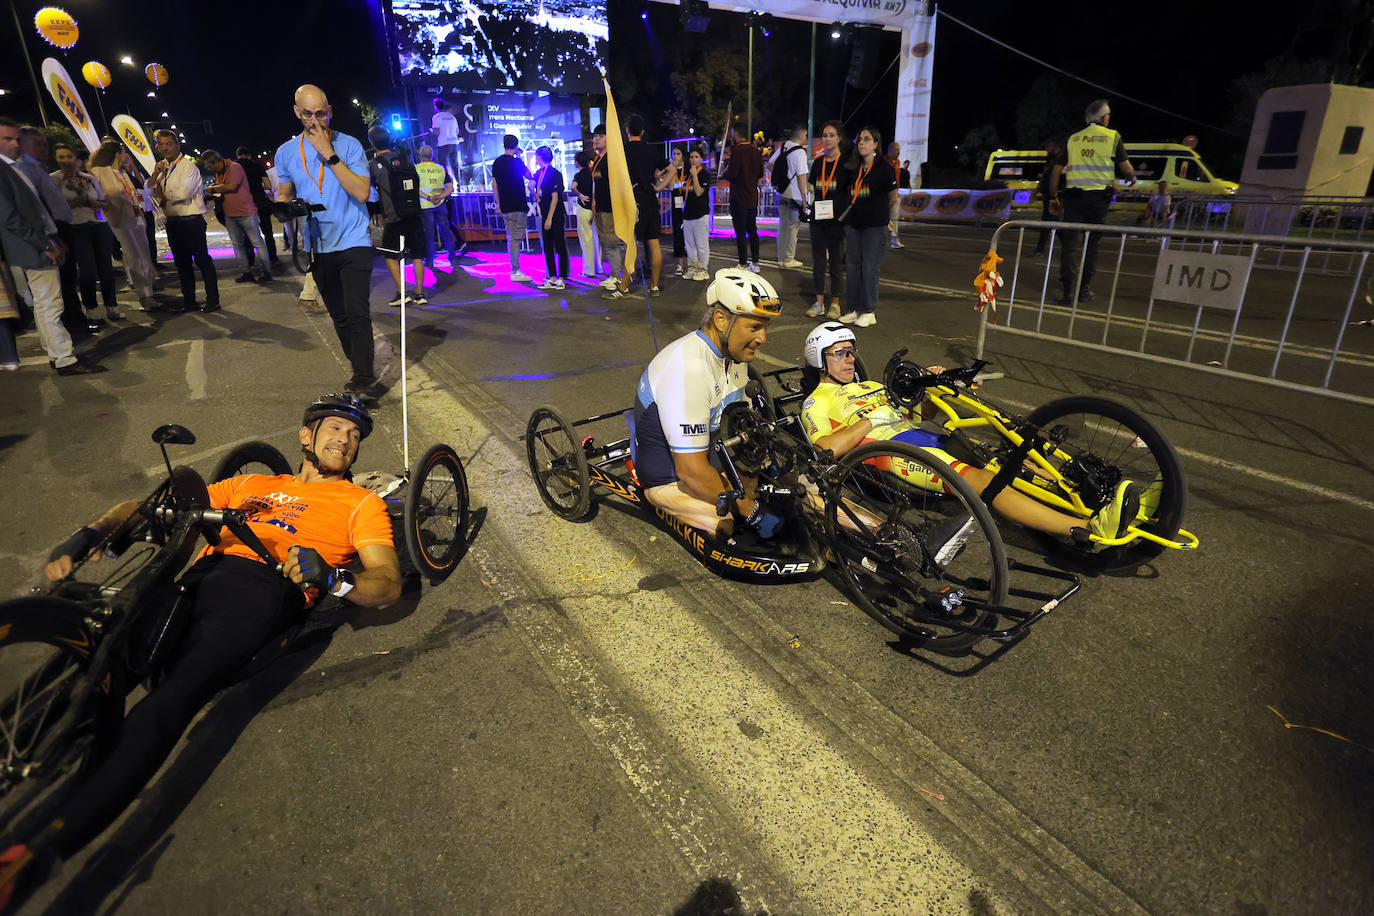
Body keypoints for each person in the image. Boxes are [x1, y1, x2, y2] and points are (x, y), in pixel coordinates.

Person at [0, 394, 402, 908]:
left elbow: (387, 583)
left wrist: (335, 578)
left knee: (174, 696)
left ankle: (37, 856)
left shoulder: (359, 503)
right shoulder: (253, 484)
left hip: (261, 592)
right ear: (306, 436)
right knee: (96, 656)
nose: (345, 440)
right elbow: (158, 505)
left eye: (354, 436)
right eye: (335, 429)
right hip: (194, 579)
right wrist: (92, 534)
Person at [799, 323, 1141, 550]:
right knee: (984, 481)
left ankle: (1101, 501)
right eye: (840, 353)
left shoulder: (871, 385)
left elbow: (916, 417)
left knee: (1011, 463)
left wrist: (928, 390)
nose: (850, 359)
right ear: (820, 359)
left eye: (851, 351)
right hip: (895, 453)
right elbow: (824, 448)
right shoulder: (816, 402)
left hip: (922, 436)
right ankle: (1087, 528)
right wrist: (870, 421)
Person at [631, 268, 783, 539]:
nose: (763, 338)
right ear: (721, 320)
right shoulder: (688, 369)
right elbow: (690, 471)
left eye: (765, 327)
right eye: (754, 327)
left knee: (785, 495)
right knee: (727, 525)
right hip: (671, 476)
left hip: (711, 456)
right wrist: (748, 507)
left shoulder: (734, 357)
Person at [274, 84, 381, 400]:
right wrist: (283, 206)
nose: (315, 120)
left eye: (321, 113)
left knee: (357, 311)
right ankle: (358, 369)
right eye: (307, 114)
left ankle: (364, 379)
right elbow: (285, 192)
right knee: (340, 315)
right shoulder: (285, 153)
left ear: (329, 110)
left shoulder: (348, 145)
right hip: (319, 245)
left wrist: (328, 154)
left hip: (354, 239)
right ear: (297, 112)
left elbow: (362, 193)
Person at [0, 118, 103, 375]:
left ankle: (56, 354)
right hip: (33, 247)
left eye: (17, 139)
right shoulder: (5, 171)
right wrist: (46, 243)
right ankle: (63, 358)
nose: (16, 144)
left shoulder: (12, 169)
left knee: (46, 302)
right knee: (50, 303)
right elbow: (10, 218)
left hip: (39, 242)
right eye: (8, 139)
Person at [1047, 99, 1136, 306]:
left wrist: (1053, 197)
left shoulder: (1074, 139)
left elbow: (1057, 170)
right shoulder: (1113, 136)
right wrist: (1131, 177)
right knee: (1091, 245)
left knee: (1069, 246)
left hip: (1073, 199)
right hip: (1098, 201)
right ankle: (1084, 290)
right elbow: (1127, 168)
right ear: (1104, 118)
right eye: (1108, 117)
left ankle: (1068, 292)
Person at [13, 126, 85, 334]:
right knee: (50, 295)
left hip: (57, 228)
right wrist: (49, 239)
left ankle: (72, 324)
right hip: (47, 232)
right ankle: (62, 348)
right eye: (37, 144)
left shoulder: (37, 168)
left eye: (45, 144)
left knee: (63, 284)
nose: (44, 149)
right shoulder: (24, 169)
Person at [149, 129, 220, 313]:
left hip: (191, 221)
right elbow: (146, 191)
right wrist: (154, 175)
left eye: (169, 144)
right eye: (161, 144)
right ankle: (189, 301)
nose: (165, 148)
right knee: (181, 263)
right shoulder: (162, 167)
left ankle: (213, 300)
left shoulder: (188, 167)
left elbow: (182, 194)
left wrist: (160, 196)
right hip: (173, 221)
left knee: (202, 260)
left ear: (177, 145)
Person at [51, 143, 123, 322]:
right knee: (88, 270)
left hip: (99, 225)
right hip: (76, 227)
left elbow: (105, 203)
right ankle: (91, 308)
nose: (66, 160)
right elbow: (55, 208)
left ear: (77, 159)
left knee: (106, 268)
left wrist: (95, 203)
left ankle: (111, 306)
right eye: (61, 157)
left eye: (69, 156)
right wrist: (77, 202)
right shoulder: (54, 180)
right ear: (56, 159)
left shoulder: (89, 178)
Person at [603, 114, 670, 301]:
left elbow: (614, 176)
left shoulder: (624, 152)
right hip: (650, 199)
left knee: (630, 244)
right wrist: (658, 185)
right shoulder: (650, 151)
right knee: (654, 242)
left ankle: (624, 287)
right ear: (642, 131)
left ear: (627, 131)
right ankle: (654, 285)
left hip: (634, 201)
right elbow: (671, 168)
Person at [838, 127, 896, 328]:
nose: (861, 143)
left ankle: (869, 310)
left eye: (866, 139)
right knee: (853, 267)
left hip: (874, 226)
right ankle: (853, 309)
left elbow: (892, 197)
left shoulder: (884, 168)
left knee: (869, 268)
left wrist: (879, 214)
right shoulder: (854, 167)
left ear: (876, 144)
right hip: (854, 225)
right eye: (859, 139)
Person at [88, 141, 157, 310]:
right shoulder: (101, 171)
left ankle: (149, 293)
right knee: (133, 255)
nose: (127, 155)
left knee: (144, 253)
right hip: (119, 219)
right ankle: (144, 295)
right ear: (117, 153)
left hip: (135, 216)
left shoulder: (123, 173)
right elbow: (107, 194)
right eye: (124, 151)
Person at [366, 125, 428, 307]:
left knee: (390, 254)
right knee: (417, 254)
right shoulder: (404, 159)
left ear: (372, 142)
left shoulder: (374, 165)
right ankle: (419, 293)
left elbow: (367, 190)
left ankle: (402, 293)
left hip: (393, 217)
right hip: (414, 213)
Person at [203, 149, 272, 283]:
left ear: (215, 161)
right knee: (237, 244)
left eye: (209, 165)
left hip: (246, 212)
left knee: (257, 242)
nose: (208, 168)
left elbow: (231, 187)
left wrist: (213, 189)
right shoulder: (220, 171)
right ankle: (246, 272)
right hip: (230, 213)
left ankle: (266, 272)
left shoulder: (235, 167)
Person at [807, 119, 850, 319]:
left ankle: (835, 303)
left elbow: (850, 192)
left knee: (835, 263)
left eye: (832, 135)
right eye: (825, 135)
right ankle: (818, 303)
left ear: (839, 138)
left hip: (836, 222)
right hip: (817, 219)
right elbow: (811, 188)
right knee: (818, 262)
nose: (827, 139)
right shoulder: (817, 163)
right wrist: (806, 201)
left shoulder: (846, 164)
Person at [720, 128, 763, 273]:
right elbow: (760, 173)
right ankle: (755, 262)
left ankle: (743, 263)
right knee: (752, 230)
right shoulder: (756, 151)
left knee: (740, 232)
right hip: (752, 196)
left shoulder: (738, 151)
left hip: (739, 196)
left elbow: (732, 173)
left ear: (736, 134)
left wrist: (724, 173)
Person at [491, 133, 533, 283]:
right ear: (516, 146)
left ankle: (514, 269)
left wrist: (498, 203)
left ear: (504, 144)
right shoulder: (517, 162)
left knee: (511, 238)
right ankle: (515, 271)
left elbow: (494, 185)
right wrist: (520, 158)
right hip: (518, 204)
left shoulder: (497, 162)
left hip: (505, 205)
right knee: (515, 239)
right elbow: (530, 175)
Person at [415, 144, 460, 275]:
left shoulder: (416, 169)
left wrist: (428, 197)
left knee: (429, 234)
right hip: (440, 204)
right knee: (446, 232)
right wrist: (440, 196)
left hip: (425, 205)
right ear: (432, 155)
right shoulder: (440, 168)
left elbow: (415, 189)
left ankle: (430, 260)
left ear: (420, 155)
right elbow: (450, 187)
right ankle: (452, 258)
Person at [589, 124, 625, 289]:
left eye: (601, 136)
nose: (596, 139)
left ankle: (617, 276)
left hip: (611, 208)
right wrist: (595, 202)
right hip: (601, 208)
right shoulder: (598, 160)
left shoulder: (611, 159)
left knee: (612, 243)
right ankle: (614, 274)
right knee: (606, 242)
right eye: (595, 135)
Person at [236, 147, 281, 272]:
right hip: (260, 203)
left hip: (244, 205)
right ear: (249, 155)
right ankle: (273, 259)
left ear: (238, 155)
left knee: (248, 236)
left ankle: (250, 262)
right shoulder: (257, 166)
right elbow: (267, 185)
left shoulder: (234, 167)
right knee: (268, 234)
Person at [774, 124, 810, 269]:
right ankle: (789, 259)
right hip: (795, 194)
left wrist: (783, 180)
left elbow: (771, 164)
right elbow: (802, 177)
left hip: (782, 192)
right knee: (793, 228)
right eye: (805, 135)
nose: (806, 138)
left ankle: (781, 258)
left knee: (783, 227)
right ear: (801, 135)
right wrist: (805, 199)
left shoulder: (784, 146)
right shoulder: (800, 152)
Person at [533, 145, 568, 291]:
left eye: (536, 156)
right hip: (544, 212)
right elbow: (533, 184)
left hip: (555, 215)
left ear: (540, 157)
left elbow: (555, 197)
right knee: (547, 246)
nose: (535, 159)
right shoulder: (539, 173)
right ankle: (552, 277)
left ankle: (562, 278)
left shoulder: (554, 174)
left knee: (559, 245)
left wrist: (549, 219)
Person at [681, 146, 712, 281]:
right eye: (691, 157)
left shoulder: (704, 174)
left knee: (701, 244)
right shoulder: (687, 175)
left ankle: (703, 269)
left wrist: (694, 175)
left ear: (701, 159)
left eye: (696, 157)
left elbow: (699, 192)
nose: (693, 160)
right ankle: (692, 268)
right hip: (688, 214)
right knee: (690, 245)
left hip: (700, 214)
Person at [570, 149, 600, 277]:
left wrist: (580, 195)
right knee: (596, 239)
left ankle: (589, 270)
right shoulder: (592, 174)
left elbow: (573, 187)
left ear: (577, 162)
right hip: (595, 208)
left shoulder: (578, 175)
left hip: (583, 209)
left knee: (586, 240)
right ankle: (599, 267)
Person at [1031, 140, 1061, 257]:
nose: (1047, 150)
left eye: (1049, 146)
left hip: (1055, 197)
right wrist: (1035, 191)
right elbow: (1044, 179)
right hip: (1048, 197)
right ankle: (1040, 249)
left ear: (1055, 146)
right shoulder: (1050, 161)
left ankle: (1068, 247)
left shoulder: (1060, 160)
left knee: (1056, 224)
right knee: (1046, 224)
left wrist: (1055, 196)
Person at [430, 98, 461, 185]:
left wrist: (431, 131)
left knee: (442, 166)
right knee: (454, 165)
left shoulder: (436, 117)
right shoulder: (452, 117)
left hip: (443, 143)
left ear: (435, 107)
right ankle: (458, 183)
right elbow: (457, 131)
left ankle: (447, 184)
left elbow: (436, 132)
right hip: (454, 143)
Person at [669, 147, 688, 277]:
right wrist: (672, 171)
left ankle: (692, 264)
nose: (675, 156)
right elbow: (671, 187)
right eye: (674, 154)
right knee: (678, 236)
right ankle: (680, 264)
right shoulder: (671, 171)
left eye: (678, 154)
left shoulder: (688, 170)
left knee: (689, 236)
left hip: (688, 207)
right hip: (676, 207)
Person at [884, 141, 904, 249]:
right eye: (896, 150)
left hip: (895, 193)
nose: (898, 152)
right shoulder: (883, 161)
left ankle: (894, 240)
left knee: (894, 218)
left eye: (899, 150)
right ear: (890, 150)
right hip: (884, 194)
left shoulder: (898, 162)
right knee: (883, 218)